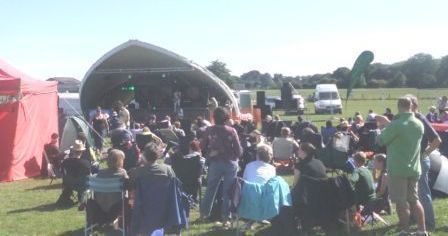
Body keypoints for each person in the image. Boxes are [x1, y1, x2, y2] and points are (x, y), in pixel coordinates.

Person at [376, 97, 427, 236]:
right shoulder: (419, 124)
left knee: (400, 202)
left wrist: (382, 127)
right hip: (414, 168)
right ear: (411, 106)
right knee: (414, 200)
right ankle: (422, 230)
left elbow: (380, 140)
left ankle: (405, 231)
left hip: (398, 169)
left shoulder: (396, 124)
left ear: (399, 106)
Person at [200, 107, 243, 227]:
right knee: (228, 191)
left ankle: (204, 214)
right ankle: (226, 218)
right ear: (226, 118)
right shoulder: (232, 131)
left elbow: (202, 145)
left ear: (214, 117)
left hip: (215, 163)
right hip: (230, 163)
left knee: (210, 189)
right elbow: (238, 151)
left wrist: (211, 152)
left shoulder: (209, 130)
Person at [407, 94, 441, 231]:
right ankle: (415, 219)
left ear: (414, 106)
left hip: (420, 161)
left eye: (407, 105)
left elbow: (437, 140)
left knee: (422, 193)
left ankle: (430, 224)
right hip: (410, 161)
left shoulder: (420, 118)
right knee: (411, 193)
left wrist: (424, 154)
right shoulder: (409, 120)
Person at [85, 149, 129, 225]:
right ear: (120, 161)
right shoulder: (122, 173)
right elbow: (127, 186)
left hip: (99, 207)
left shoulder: (100, 173)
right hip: (116, 207)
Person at [57, 140, 91, 206]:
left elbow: (62, 173)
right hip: (81, 185)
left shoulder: (65, 162)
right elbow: (89, 175)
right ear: (82, 152)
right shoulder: (86, 163)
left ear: (73, 151)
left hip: (69, 184)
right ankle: (83, 198)